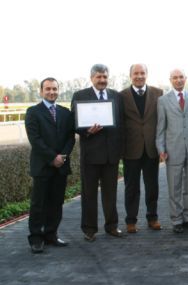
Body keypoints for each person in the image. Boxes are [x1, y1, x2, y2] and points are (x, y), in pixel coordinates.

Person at [71, 64, 124, 242]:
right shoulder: (80, 96)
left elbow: (121, 123)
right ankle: (89, 229)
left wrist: (120, 150)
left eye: (105, 77)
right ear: (91, 78)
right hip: (91, 155)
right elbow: (74, 124)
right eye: (98, 77)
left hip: (111, 155)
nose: (102, 80)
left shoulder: (116, 96)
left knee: (111, 193)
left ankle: (112, 226)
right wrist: (87, 131)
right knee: (89, 194)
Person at [25, 77, 75, 253]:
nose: (52, 92)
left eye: (54, 89)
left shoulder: (65, 112)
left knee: (56, 202)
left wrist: (62, 156)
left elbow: (70, 137)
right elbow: (35, 140)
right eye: (48, 89)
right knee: (39, 204)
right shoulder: (33, 112)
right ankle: (36, 238)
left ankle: (51, 235)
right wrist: (52, 157)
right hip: (42, 166)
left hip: (60, 165)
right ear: (41, 91)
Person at [156, 69, 188, 233]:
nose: (178, 80)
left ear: (185, 79)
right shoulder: (162, 101)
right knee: (174, 187)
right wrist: (161, 148)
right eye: (175, 78)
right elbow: (160, 127)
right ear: (170, 80)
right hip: (172, 149)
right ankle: (176, 221)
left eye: (181, 77)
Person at [120, 64, 163, 233]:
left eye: (142, 73)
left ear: (147, 74)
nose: (139, 76)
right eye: (136, 73)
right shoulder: (121, 96)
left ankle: (153, 218)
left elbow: (161, 120)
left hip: (151, 148)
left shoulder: (158, 93)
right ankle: (131, 221)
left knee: (152, 186)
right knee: (131, 187)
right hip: (131, 149)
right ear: (130, 75)